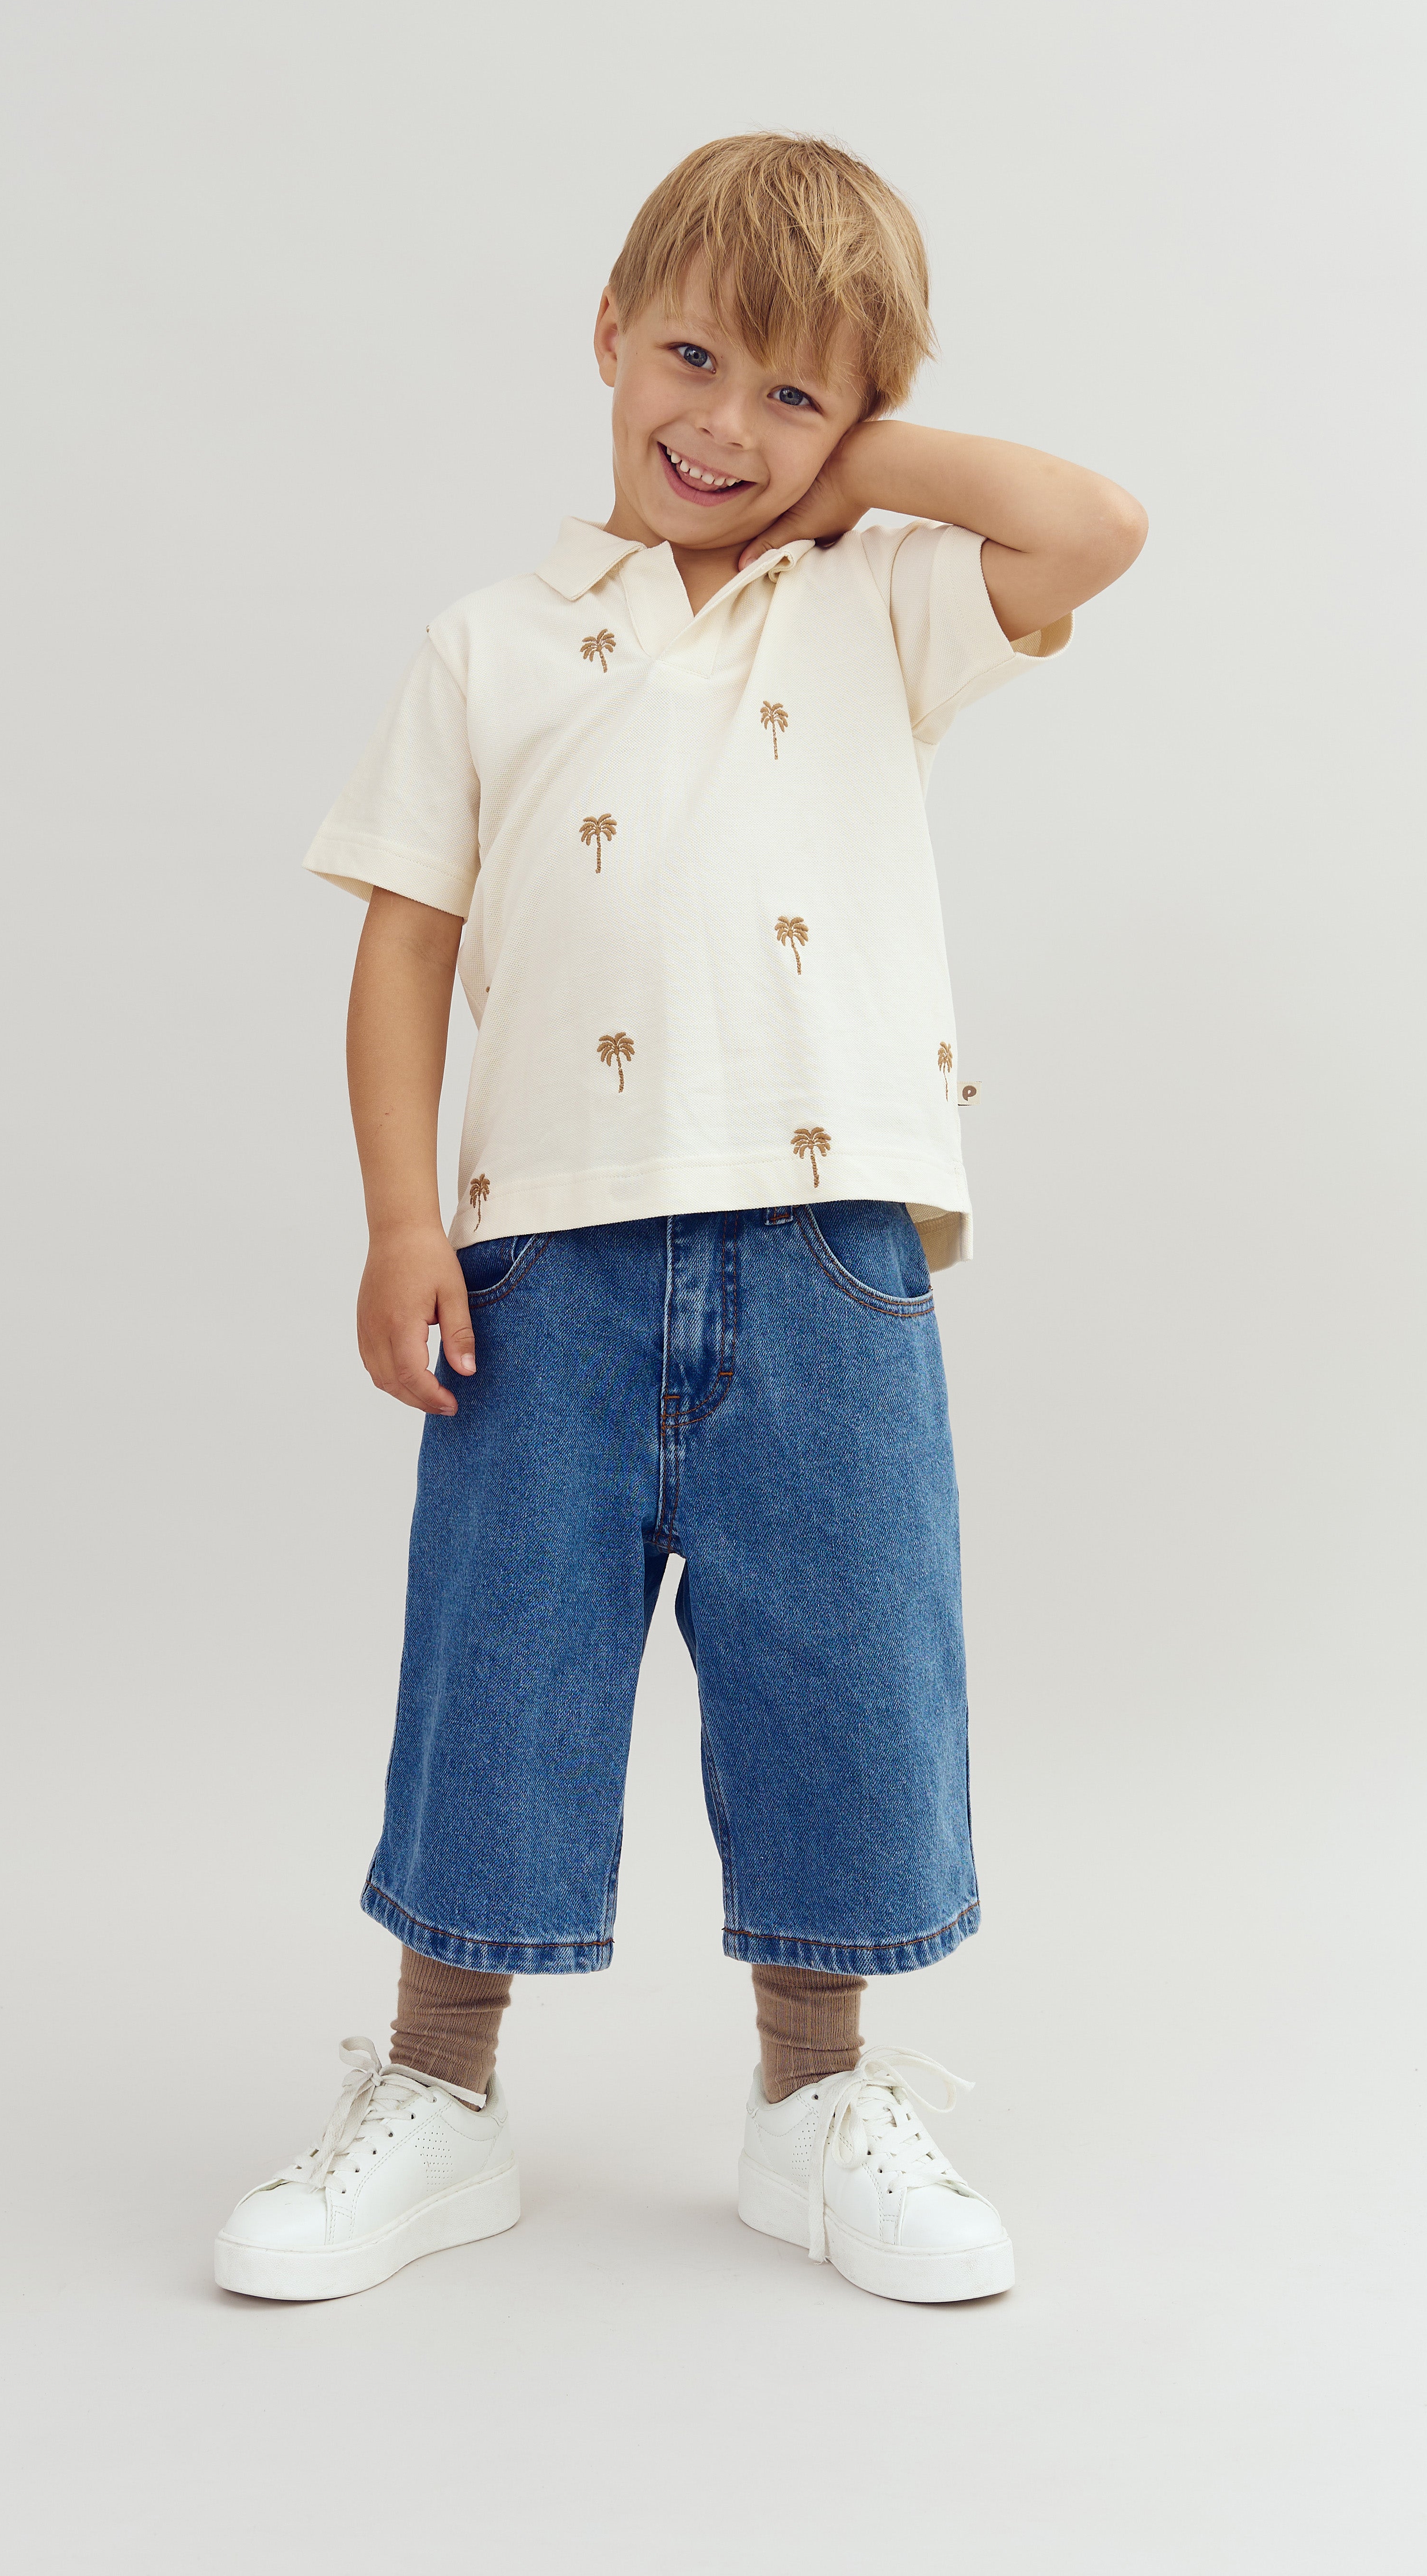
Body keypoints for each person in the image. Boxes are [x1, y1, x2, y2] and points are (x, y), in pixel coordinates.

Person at [213, 133, 1145, 2307]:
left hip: (831, 1240)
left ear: (851, 433)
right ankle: (437, 2099)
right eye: (697, 360)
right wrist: (394, 1217)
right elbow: (404, 942)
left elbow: (1093, 524)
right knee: (500, 1672)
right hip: (546, 1245)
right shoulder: (494, 644)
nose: (723, 427)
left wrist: (854, 466)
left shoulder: (879, 603)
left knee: (846, 1672)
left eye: (791, 398)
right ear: (610, 337)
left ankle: (821, 2103)